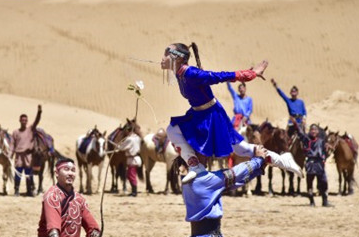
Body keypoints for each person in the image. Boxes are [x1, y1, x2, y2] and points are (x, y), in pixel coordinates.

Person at [161, 42, 301, 183]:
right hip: (197, 115)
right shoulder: (180, 73)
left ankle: (283, 160)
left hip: (212, 116)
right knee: (172, 129)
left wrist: (250, 74)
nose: (162, 57)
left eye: (167, 53)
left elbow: (220, 76)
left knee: (242, 149)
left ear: (177, 58)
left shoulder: (191, 73)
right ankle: (194, 165)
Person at [291, 118, 332, 207]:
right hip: (310, 163)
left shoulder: (321, 141)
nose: (313, 132)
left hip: (320, 164)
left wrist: (326, 150)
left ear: (317, 131)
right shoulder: (306, 139)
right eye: (312, 130)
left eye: (315, 130)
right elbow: (300, 133)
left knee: (324, 183)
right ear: (310, 131)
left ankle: (325, 201)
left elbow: (325, 151)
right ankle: (312, 202)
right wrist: (295, 124)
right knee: (310, 183)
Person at [11, 111, 37, 197]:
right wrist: (10, 155)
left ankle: (29, 191)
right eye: (22, 120)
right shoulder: (15, 132)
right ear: (20, 120)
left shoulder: (30, 130)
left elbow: (36, 121)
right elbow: (12, 144)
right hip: (18, 156)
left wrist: (39, 112)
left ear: (27, 121)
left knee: (28, 174)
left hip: (28, 156)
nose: (24, 121)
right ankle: (16, 190)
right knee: (18, 174)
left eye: (25, 120)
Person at [117, 124, 142, 197]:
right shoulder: (137, 138)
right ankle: (134, 191)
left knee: (132, 176)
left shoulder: (129, 139)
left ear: (128, 131)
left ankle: (134, 192)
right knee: (130, 175)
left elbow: (122, 148)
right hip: (135, 158)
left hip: (132, 159)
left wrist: (118, 146)